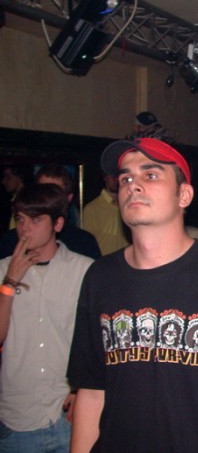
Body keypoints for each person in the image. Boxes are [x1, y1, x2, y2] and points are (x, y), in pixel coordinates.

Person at [67, 135, 198, 453]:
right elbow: (92, 393)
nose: (134, 186)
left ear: (184, 195)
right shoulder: (100, 277)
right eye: (126, 179)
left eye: (150, 175)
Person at [0, 184, 93, 453]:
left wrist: (81, 390)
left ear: (58, 224)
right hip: (18, 415)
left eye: (36, 220)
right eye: (20, 220)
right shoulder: (3, 269)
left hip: (67, 412)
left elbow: (95, 340)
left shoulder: (84, 270)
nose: (25, 229)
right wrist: (9, 283)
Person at [0, 165, 101, 260]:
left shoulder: (83, 242)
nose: (46, 199)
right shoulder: (12, 240)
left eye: (53, 194)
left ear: (68, 198)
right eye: (41, 192)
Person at [82, 172, 129, 255]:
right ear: (105, 177)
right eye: (111, 175)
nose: (115, 179)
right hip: (103, 260)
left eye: (117, 175)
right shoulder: (93, 208)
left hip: (127, 259)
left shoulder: (130, 204)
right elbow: (87, 243)